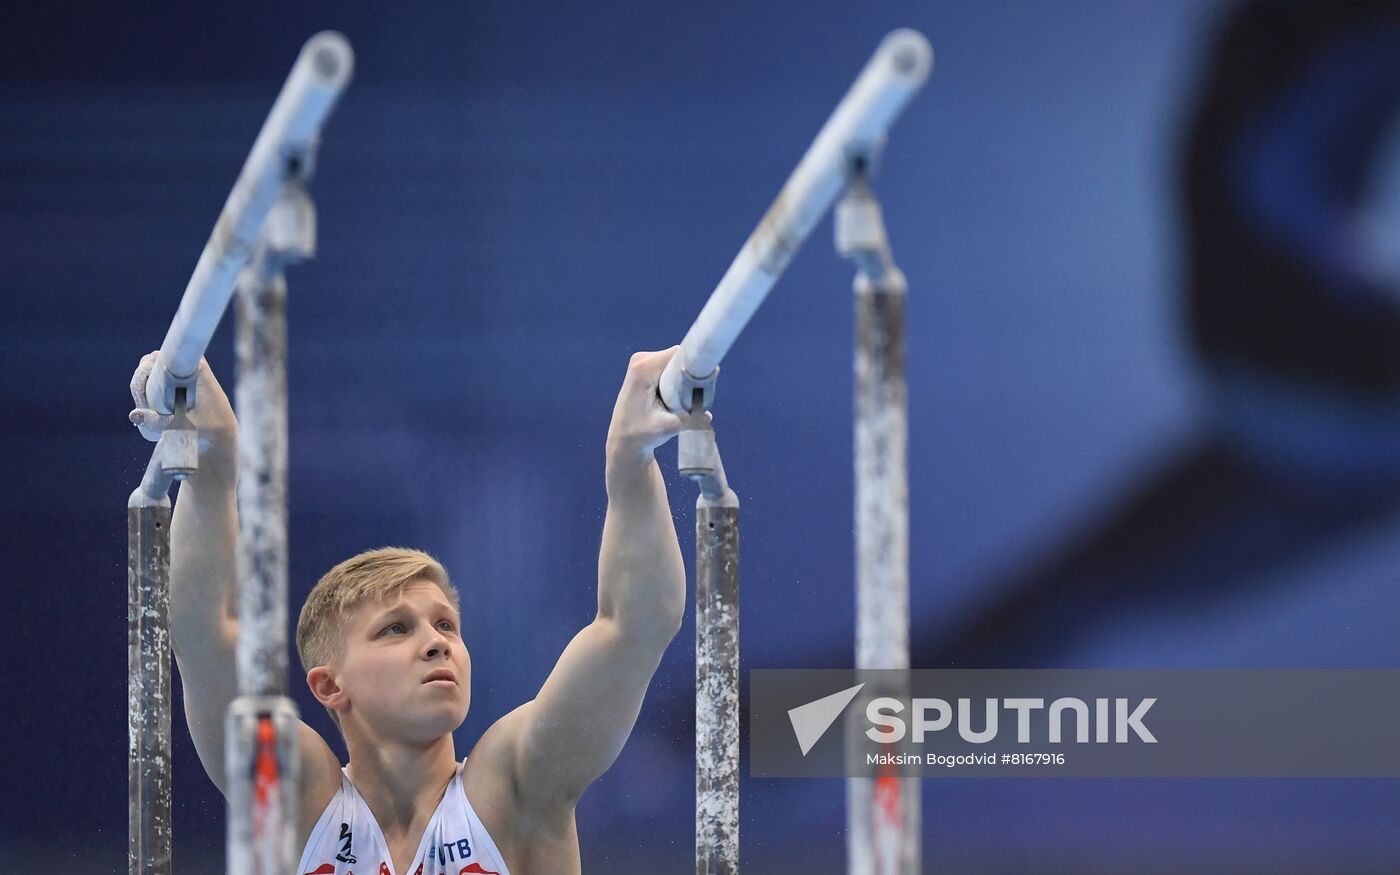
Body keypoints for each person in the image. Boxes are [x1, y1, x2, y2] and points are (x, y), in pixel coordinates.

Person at [128, 347, 690, 875]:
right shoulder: (301, 804)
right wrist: (212, 460)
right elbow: (204, 631)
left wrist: (631, 462)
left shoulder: (515, 788)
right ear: (329, 686)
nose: (436, 642)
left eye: (446, 624)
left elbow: (631, 628)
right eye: (395, 629)